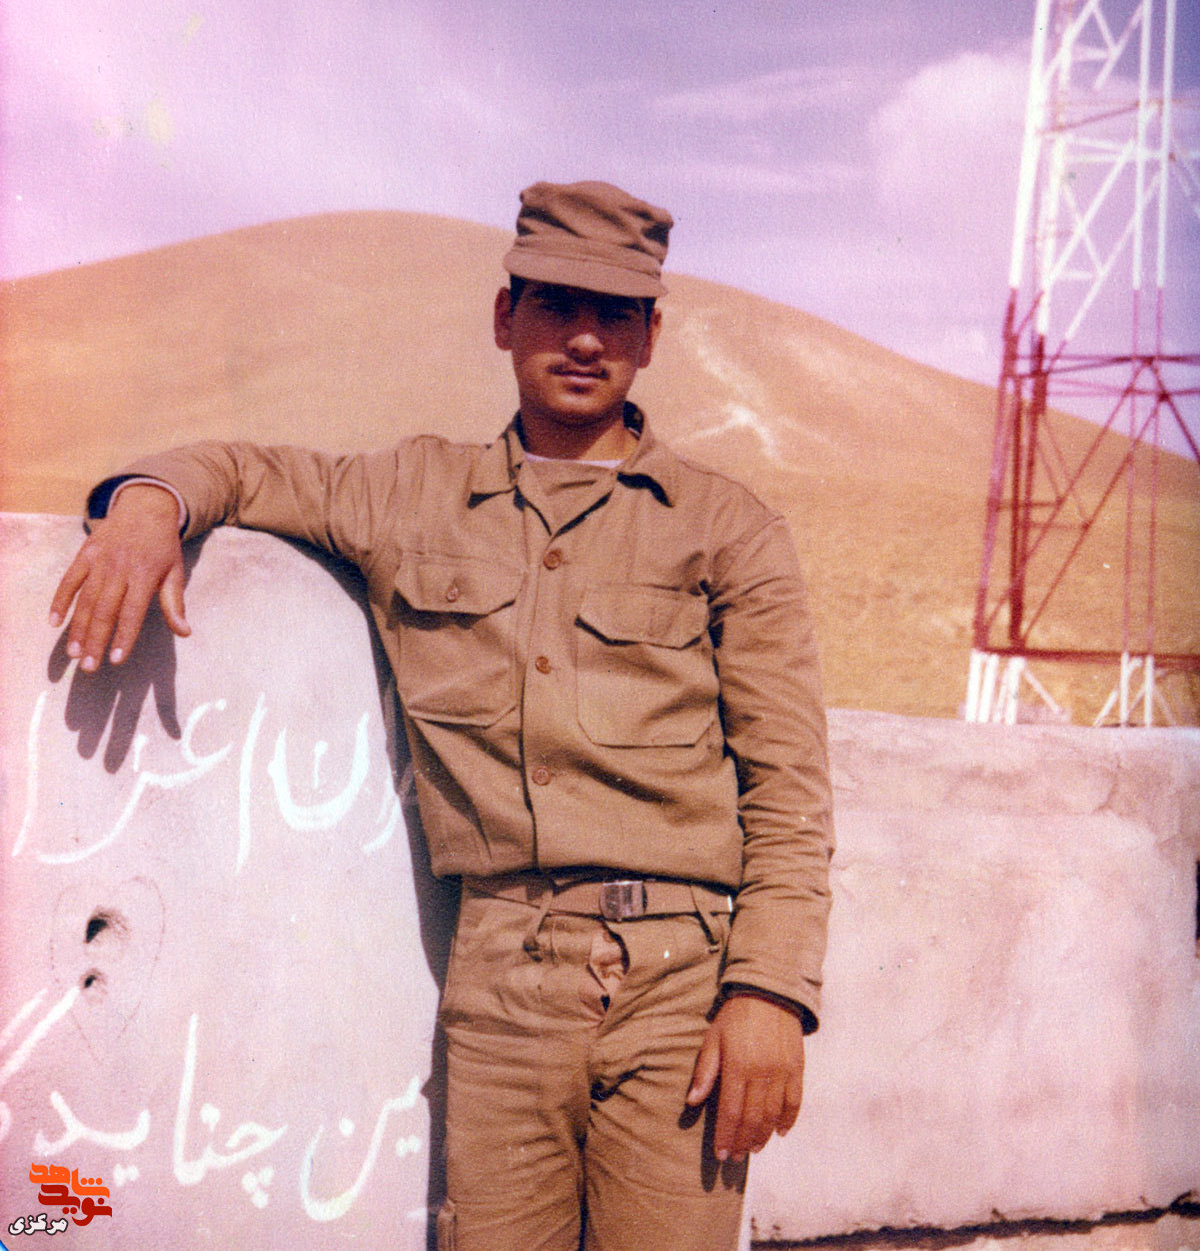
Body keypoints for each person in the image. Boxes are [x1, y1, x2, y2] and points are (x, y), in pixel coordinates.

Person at [50, 180, 834, 1251]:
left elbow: (789, 791)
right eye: (557, 304)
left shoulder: (726, 530)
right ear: (505, 316)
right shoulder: (412, 496)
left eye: (615, 315)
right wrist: (146, 507)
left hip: (682, 989)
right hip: (501, 984)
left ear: (652, 337)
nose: (585, 339)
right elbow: (239, 470)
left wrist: (770, 996)